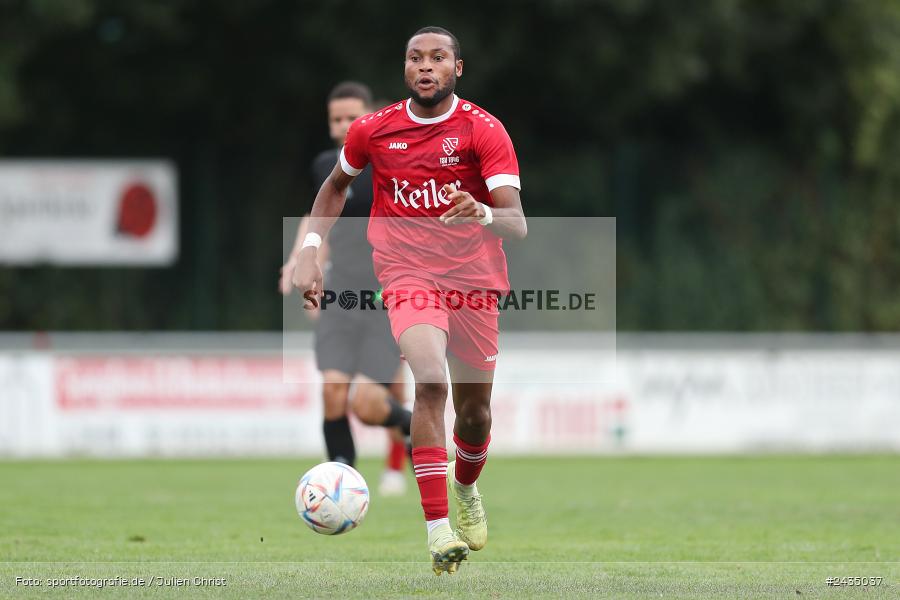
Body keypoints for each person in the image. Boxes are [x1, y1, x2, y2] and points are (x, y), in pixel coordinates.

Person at [292, 27, 526, 575]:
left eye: (438, 58)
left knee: (474, 413)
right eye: (415, 58)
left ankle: (465, 486)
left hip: (475, 281)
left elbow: (516, 221)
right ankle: (438, 529)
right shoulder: (375, 129)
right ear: (405, 69)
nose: (426, 66)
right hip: (405, 272)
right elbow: (335, 186)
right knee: (431, 380)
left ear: (457, 69)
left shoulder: (483, 130)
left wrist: (482, 210)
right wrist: (308, 247)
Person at [280, 81, 412, 496]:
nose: (342, 126)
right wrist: (302, 261)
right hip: (340, 292)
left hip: (385, 297)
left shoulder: (395, 162)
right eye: (335, 119)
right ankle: (340, 483)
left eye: (351, 118)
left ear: (369, 117)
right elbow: (317, 216)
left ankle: (418, 434)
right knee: (333, 389)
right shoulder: (326, 165)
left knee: (372, 403)